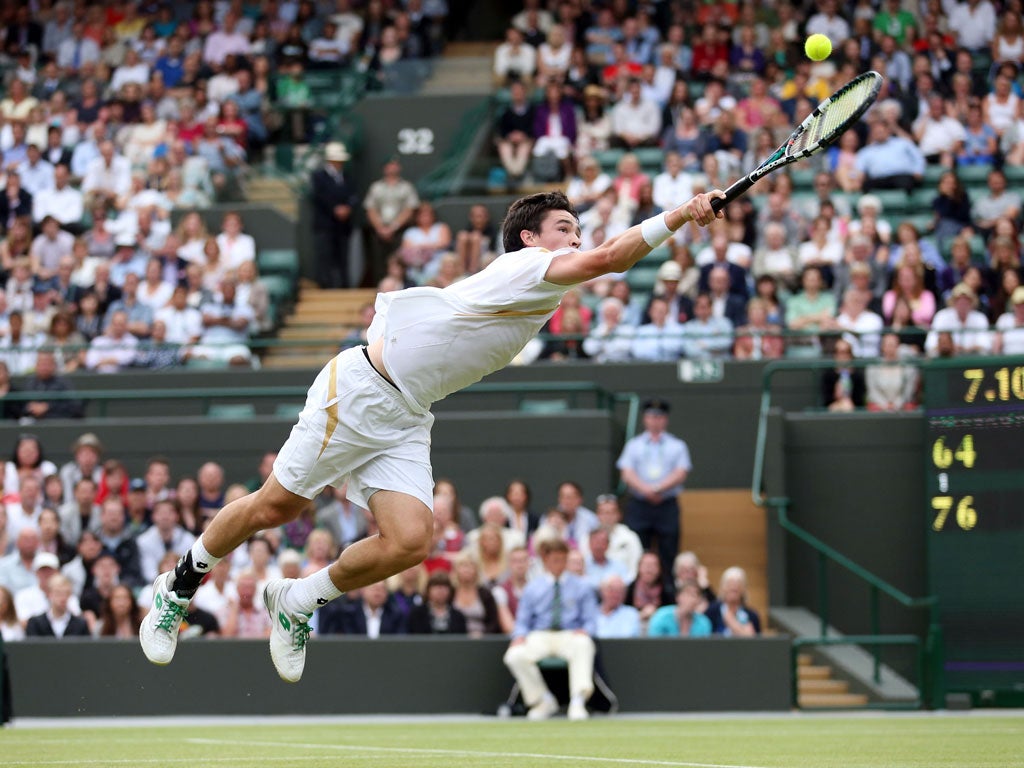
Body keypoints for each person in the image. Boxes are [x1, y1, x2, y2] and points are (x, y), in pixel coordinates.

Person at [139, 187, 723, 682]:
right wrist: (680, 214)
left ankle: (296, 601)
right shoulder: (526, 268)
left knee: (411, 541)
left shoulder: (543, 285)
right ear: (529, 239)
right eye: (564, 228)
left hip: (406, 414)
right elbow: (611, 259)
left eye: (578, 229)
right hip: (362, 390)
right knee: (277, 507)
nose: (576, 237)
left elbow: (601, 257)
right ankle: (179, 585)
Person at [503, 539, 598, 721]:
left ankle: (578, 701)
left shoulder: (582, 586)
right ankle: (543, 700)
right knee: (514, 655)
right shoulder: (532, 588)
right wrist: (519, 636)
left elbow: (591, 620)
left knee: (584, 644)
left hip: (569, 634)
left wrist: (586, 630)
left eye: (563, 559)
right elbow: (522, 621)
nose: (560, 564)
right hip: (540, 635)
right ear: (545, 560)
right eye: (555, 559)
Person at [616, 398, 692, 583]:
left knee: (668, 552)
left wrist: (657, 489)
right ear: (645, 419)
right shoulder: (634, 445)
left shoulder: (677, 445)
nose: (655, 420)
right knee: (637, 550)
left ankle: (667, 592)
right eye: (651, 416)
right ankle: (637, 591)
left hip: (666, 504)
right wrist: (646, 490)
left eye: (659, 417)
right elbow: (627, 473)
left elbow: (681, 472)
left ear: (665, 419)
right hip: (640, 504)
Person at [310, 141, 357, 289]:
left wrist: (348, 208)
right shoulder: (318, 177)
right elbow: (319, 197)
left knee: (343, 257)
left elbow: (353, 196)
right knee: (325, 256)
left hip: (343, 226)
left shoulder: (348, 177)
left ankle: (344, 285)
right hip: (325, 224)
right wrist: (335, 209)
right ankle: (326, 285)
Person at [24, 573, 90, 638]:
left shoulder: (80, 624)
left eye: (66, 593)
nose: (63, 598)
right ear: (49, 594)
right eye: (58, 593)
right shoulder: (35, 623)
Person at [705, 566, 761, 636]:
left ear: (744, 590)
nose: (734, 586)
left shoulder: (752, 616)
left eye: (738, 584)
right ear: (723, 588)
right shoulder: (712, 611)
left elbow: (757, 642)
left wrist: (733, 624)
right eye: (729, 584)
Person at [648, 578, 713, 637]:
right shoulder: (661, 616)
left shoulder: (703, 623)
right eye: (688, 594)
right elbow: (653, 645)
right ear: (677, 597)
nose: (691, 599)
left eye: (695, 595)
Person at [594, 573, 641, 638]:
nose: (615, 595)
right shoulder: (590, 613)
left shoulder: (631, 614)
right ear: (602, 591)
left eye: (620, 591)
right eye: (611, 590)